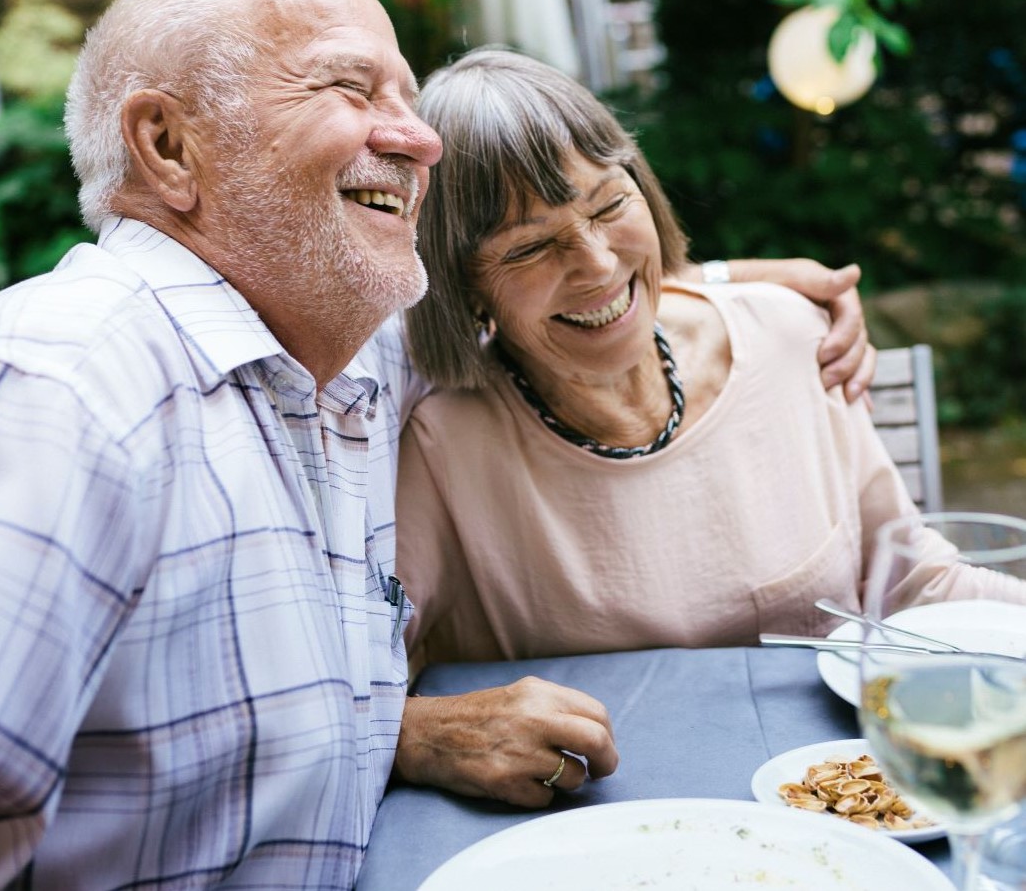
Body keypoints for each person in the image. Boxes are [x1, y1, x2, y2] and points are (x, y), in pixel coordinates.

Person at [0, 0, 871, 888]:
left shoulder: (343, 363)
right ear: (169, 145)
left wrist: (733, 288)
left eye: (406, 95)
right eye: (350, 90)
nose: (421, 137)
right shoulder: (59, 395)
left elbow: (546, 291)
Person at [396, 47, 1026, 795]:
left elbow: (912, 585)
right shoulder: (441, 443)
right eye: (531, 247)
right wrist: (420, 735)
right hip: (598, 822)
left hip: (842, 797)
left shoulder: (791, 338)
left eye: (608, 205)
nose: (597, 263)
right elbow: (368, 680)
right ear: (464, 285)